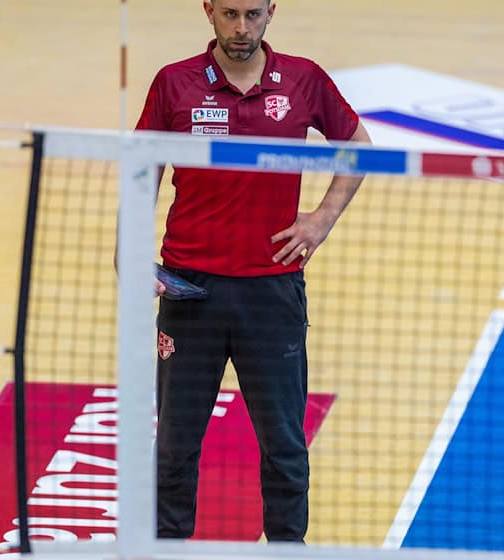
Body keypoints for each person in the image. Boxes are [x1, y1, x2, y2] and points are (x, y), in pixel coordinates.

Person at [134, 0, 371, 543]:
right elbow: (142, 167)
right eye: (230, 15)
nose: (241, 29)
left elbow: (357, 149)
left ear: (271, 13)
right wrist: (131, 247)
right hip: (189, 287)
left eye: (253, 16)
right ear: (209, 11)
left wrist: (320, 220)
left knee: (284, 441)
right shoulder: (175, 83)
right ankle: (166, 549)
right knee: (174, 441)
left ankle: (287, 549)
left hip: (272, 291)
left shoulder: (305, 80)